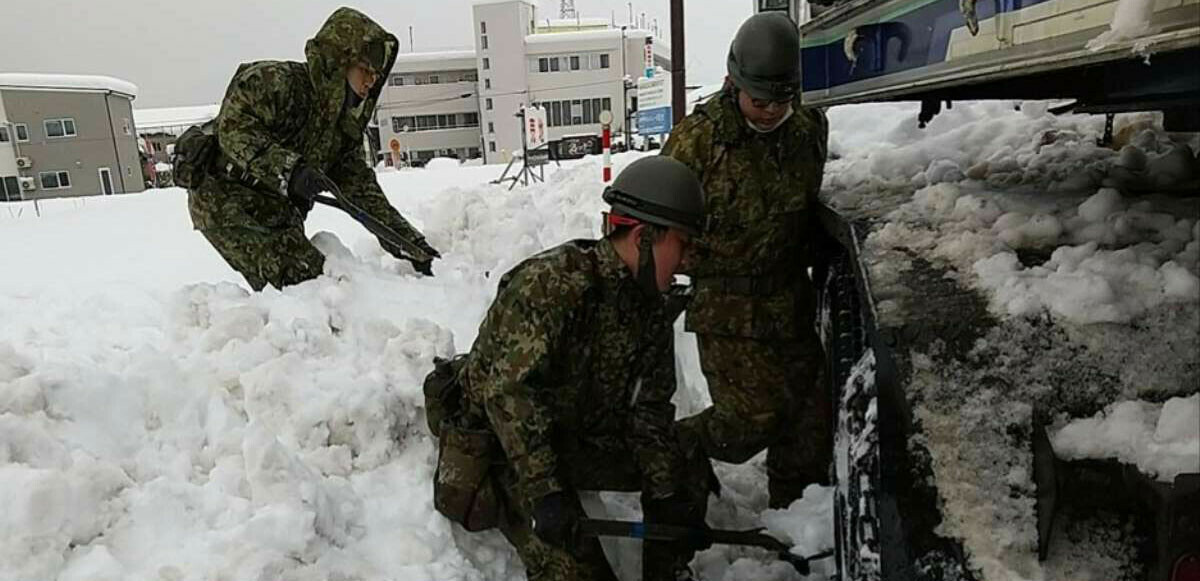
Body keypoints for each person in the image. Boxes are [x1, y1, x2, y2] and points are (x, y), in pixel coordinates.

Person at [447, 156, 713, 580]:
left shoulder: (650, 305)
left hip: (573, 432)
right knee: (576, 570)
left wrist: (667, 499)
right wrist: (546, 494)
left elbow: (650, 409)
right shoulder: (552, 285)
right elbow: (508, 397)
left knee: (686, 457)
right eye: (682, 245)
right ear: (645, 237)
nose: (687, 262)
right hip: (508, 448)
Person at [661, 11, 833, 508]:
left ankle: (797, 516)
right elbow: (658, 225)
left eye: (781, 101)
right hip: (727, 305)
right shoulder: (696, 143)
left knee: (808, 420)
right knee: (750, 419)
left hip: (788, 300)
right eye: (758, 101)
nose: (768, 112)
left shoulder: (807, 130)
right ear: (732, 82)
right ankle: (671, 447)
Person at [185, 7, 439, 291]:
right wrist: (290, 170)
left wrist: (412, 246)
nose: (371, 81)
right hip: (227, 201)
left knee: (320, 286)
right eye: (365, 70)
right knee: (307, 286)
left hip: (278, 210)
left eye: (376, 75)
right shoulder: (275, 83)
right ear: (339, 60)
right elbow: (234, 130)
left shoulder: (341, 130)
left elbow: (363, 196)